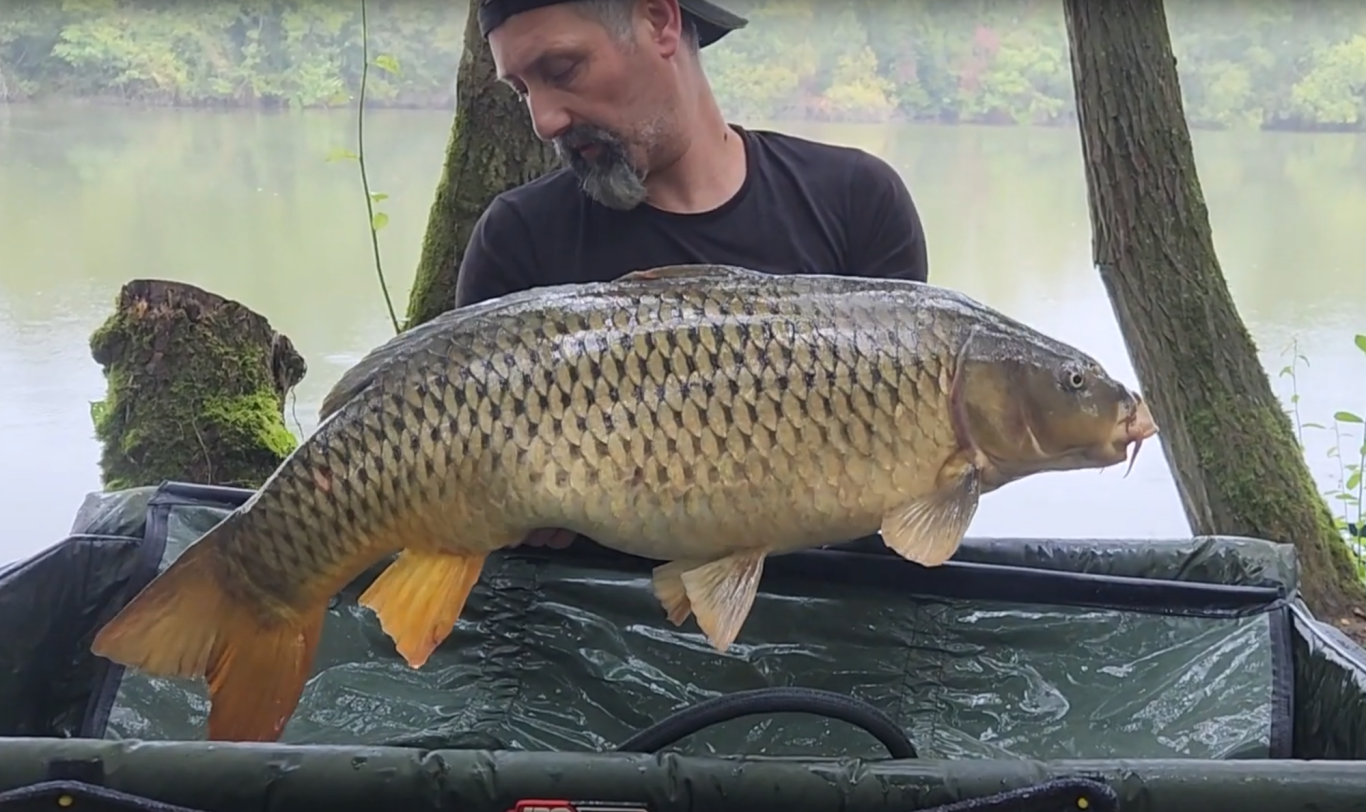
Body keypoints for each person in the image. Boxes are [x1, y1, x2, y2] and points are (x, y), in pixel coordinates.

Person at [454, 0, 930, 310]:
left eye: (562, 70)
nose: (544, 122)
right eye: (522, 91)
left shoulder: (858, 202)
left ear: (658, 21)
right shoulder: (516, 242)